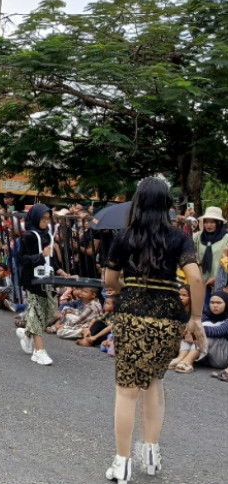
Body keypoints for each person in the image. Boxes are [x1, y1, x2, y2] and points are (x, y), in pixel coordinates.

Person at [103, 177, 207, 483]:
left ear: (137, 201)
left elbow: (109, 280)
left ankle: (122, 464)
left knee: (126, 391)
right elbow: (196, 279)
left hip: (131, 317)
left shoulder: (124, 236)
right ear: (166, 204)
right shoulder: (179, 238)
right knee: (154, 383)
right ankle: (151, 455)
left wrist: (129, 287)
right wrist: (196, 318)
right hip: (167, 318)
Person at [15, 204, 69, 366]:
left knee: (53, 313)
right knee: (37, 312)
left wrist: (60, 271)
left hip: (48, 278)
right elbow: (22, 260)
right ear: (35, 218)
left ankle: (27, 332)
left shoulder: (48, 236)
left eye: (48, 219)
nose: (45, 222)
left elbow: (50, 259)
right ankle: (39, 351)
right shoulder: (29, 237)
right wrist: (39, 256)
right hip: (33, 280)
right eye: (42, 219)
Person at [193, 206, 228, 305]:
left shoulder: (226, 238)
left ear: (218, 223)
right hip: (202, 283)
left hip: (221, 284)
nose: (209, 225)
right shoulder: (198, 237)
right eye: (206, 222)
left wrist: (217, 279)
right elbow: (186, 245)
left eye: (212, 222)